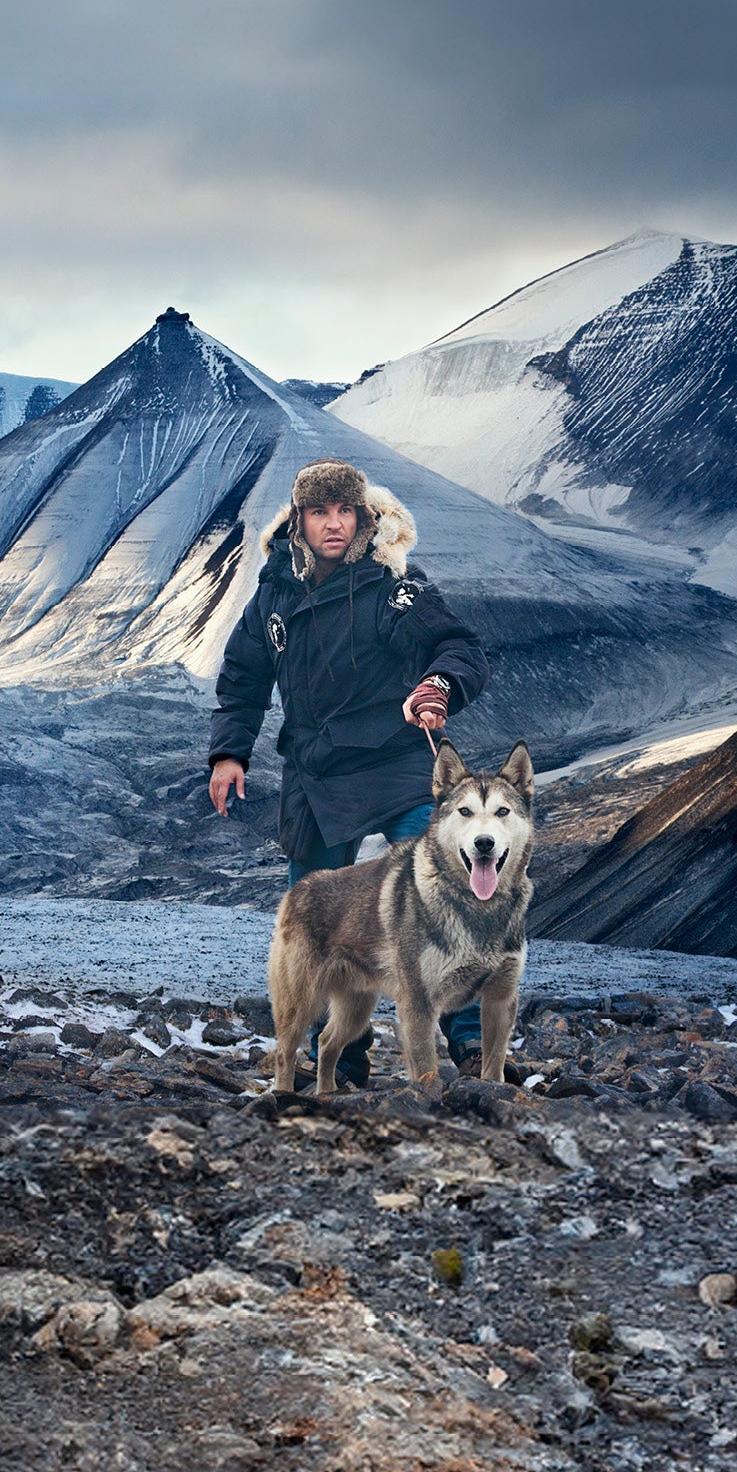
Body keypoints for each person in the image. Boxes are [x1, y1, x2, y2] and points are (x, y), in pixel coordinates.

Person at [209, 458, 489, 1088]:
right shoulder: (275, 594)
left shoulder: (395, 585)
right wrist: (229, 753)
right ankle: (333, 1058)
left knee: (449, 893)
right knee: (311, 918)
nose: (333, 525)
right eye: (319, 512)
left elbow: (459, 646)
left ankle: (472, 1048)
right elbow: (244, 677)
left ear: (364, 518)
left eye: (345, 512)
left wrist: (440, 685)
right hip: (315, 772)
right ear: (299, 520)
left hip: (398, 760)